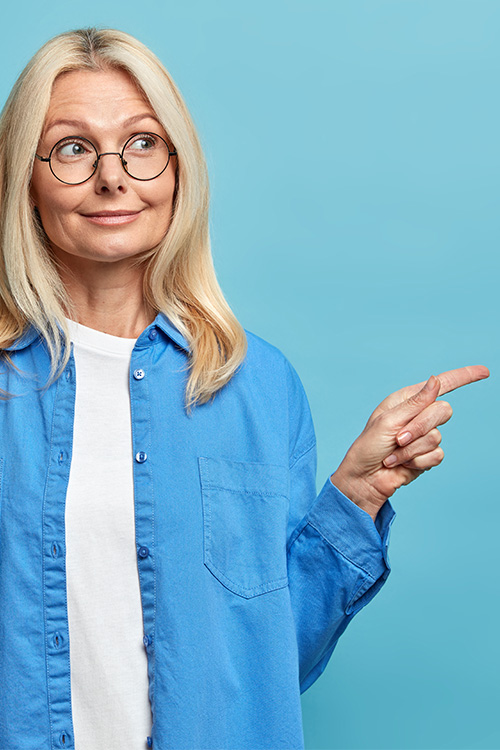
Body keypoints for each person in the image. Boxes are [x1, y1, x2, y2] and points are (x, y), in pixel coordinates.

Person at [0, 27, 488, 750]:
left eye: (141, 143)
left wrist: (358, 497)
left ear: (177, 169)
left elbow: (266, 661)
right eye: (72, 148)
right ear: (24, 178)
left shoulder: (257, 385)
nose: (113, 177)